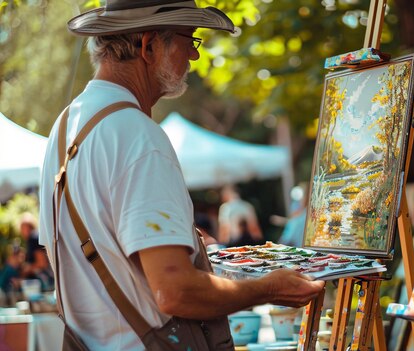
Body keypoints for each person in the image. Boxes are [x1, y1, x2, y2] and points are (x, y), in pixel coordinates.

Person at [38, 1, 325, 349]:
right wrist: (268, 288)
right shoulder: (136, 135)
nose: (194, 55)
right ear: (148, 46)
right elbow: (174, 291)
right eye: (188, 39)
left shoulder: (66, 127)